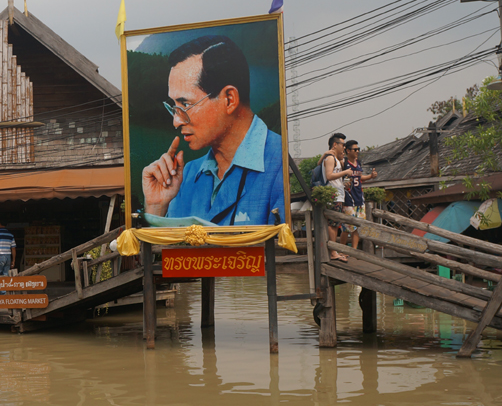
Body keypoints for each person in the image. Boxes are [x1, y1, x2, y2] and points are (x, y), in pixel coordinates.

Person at [141, 35, 286, 227]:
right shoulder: (185, 177)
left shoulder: (282, 165)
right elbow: (169, 255)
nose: (176, 121)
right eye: (173, 107)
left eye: (185, 104)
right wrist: (156, 207)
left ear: (229, 99)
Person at [320, 133, 355, 262]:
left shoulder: (334, 158)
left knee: (335, 225)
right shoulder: (330, 159)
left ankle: (334, 251)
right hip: (333, 196)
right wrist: (345, 172)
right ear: (335, 145)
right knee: (333, 224)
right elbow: (329, 176)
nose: (344, 147)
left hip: (338, 195)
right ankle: (333, 252)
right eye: (343, 144)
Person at [342, 140, 378, 251]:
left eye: (358, 149)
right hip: (348, 198)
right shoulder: (344, 163)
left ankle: (354, 250)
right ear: (348, 151)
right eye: (355, 149)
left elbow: (360, 177)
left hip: (359, 198)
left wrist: (371, 176)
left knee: (357, 227)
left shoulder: (358, 163)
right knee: (347, 228)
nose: (357, 151)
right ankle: (341, 250)